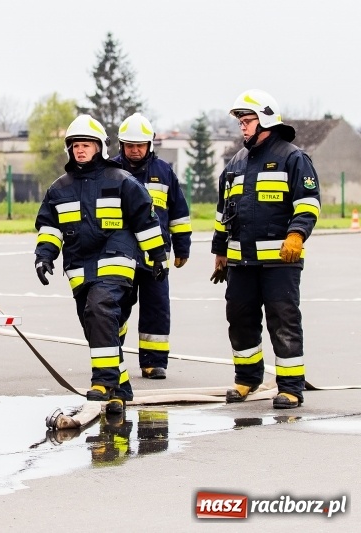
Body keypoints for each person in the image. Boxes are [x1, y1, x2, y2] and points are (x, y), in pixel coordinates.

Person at [34, 115, 167, 415]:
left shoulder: (121, 181)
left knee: (100, 309)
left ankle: (104, 383)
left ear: (99, 148)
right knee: (97, 327)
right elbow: (49, 228)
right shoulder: (59, 189)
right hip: (80, 269)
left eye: (86, 145)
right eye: (76, 146)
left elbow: (145, 220)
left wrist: (157, 255)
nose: (80, 150)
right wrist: (44, 257)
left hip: (115, 262)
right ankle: (120, 391)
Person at [211, 89, 320, 409]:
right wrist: (220, 252)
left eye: (248, 121)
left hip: (280, 262)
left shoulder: (293, 157)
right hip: (241, 262)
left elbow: (308, 204)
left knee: (283, 319)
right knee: (240, 317)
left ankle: (290, 387)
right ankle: (247, 379)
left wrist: (297, 236)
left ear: (266, 121)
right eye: (241, 122)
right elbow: (223, 212)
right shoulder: (236, 163)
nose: (243, 127)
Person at [112, 113, 192, 380]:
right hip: (119, 254)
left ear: (150, 144)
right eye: (130, 145)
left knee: (156, 307)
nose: (135, 150)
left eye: (140, 145)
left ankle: (153, 362)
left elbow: (178, 212)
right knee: (116, 306)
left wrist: (182, 247)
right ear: (121, 145)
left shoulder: (164, 172)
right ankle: (113, 354)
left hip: (155, 255)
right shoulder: (109, 172)